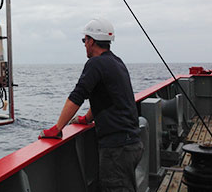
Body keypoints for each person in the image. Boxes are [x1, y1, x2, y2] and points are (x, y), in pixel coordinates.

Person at [39, 17, 143, 192]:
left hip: (117, 148)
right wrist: (87, 119)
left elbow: (77, 96)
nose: (84, 44)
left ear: (91, 41)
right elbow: (107, 97)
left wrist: (57, 128)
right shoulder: (117, 62)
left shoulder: (95, 63)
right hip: (131, 143)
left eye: (84, 40)